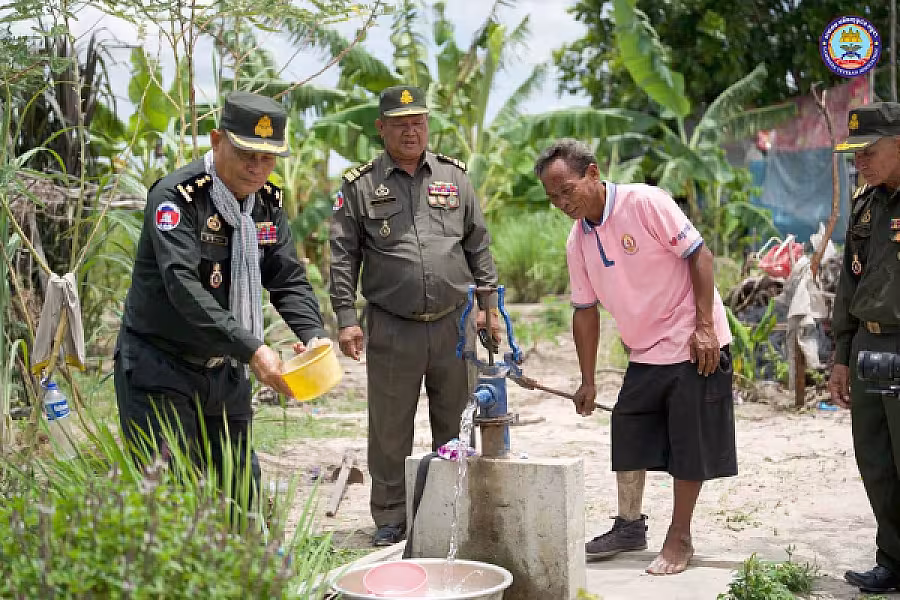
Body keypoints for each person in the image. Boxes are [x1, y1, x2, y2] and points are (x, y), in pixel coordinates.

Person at [534, 139, 737, 575]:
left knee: (689, 443)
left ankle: (679, 536)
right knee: (629, 427)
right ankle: (629, 525)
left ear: (592, 173)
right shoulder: (578, 241)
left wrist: (704, 329)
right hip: (645, 348)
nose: (561, 203)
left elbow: (700, 255)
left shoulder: (644, 202)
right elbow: (585, 311)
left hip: (691, 339)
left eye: (566, 190)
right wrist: (587, 379)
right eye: (552, 197)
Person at [114, 91, 327, 499]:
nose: (256, 167)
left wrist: (312, 333)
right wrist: (253, 349)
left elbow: (285, 275)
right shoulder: (177, 199)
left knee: (240, 495)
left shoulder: (265, 205)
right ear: (216, 140)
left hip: (225, 371)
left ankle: (250, 563)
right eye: (246, 152)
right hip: (161, 368)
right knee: (168, 500)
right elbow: (183, 286)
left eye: (268, 158)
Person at [329, 85, 500, 546]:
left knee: (456, 420)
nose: (411, 130)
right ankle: (390, 515)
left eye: (418, 121)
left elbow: (477, 242)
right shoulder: (360, 185)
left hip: (454, 323)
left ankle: (450, 507)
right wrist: (346, 317)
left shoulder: (454, 177)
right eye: (401, 123)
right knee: (390, 426)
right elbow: (343, 256)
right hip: (391, 324)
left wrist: (489, 308)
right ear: (381, 128)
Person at [830, 101, 900, 594]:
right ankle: (892, 560)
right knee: (875, 461)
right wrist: (839, 358)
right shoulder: (865, 204)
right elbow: (848, 287)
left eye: (868, 151)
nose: (860, 161)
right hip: (867, 348)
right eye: (854, 154)